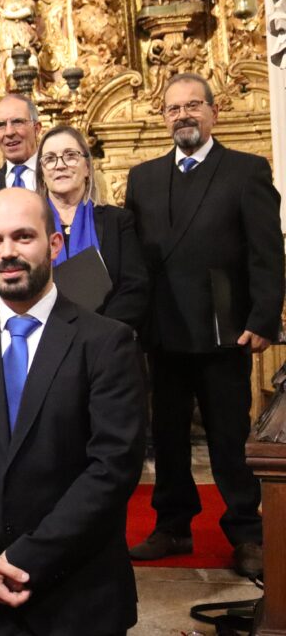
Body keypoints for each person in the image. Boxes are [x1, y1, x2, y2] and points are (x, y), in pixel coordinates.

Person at [0, 188, 145, 635]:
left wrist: (24, 559)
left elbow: (112, 470)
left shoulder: (106, 342)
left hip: (78, 598)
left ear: (55, 244)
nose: (7, 253)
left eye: (23, 237)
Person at [125, 73, 284, 578]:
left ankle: (246, 532)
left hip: (224, 329)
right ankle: (172, 526)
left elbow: (267, 252)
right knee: (167, 436)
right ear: (164, 117)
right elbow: (133, 259)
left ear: (213, 113)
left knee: (228, 438)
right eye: (173, 109)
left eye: (193, 106)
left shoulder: (245, 170)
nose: (184, 116)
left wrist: (263, 318)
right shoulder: (143, 178)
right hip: (163, 331)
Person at [35, 125, 149, 330]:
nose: (60, 165)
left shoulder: (118, 221)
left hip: (107, 339)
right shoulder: (30, 228)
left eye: (70, 156)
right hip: (46, 339)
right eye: (50, 159)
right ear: (42, 173)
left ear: (87, 167)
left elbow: (134, 288)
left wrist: (98, 332)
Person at [0, 93, 42, 203]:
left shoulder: (56, 176)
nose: (9, 132)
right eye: (1, 125)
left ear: (36, 129)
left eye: (17, 122)